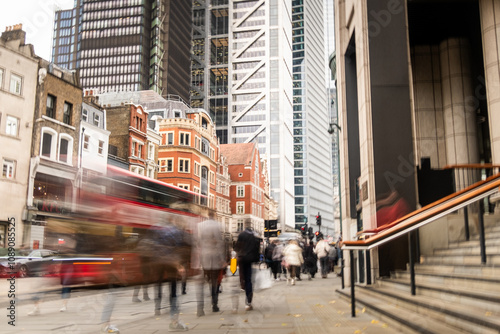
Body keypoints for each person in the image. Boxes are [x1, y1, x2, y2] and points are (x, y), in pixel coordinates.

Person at [197, 216, 226, 316]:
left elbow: (197, 244)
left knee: (205, 284)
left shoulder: (200, 227)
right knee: (214, 283)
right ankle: (214, 305)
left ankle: (201, 308)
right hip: (214, 261)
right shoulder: (217, 227)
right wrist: (222, 260)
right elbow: (220, 246)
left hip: (204, 261)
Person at [234, 227, 260, 311]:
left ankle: (242, 285)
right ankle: (248, 303)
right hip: (251, 259)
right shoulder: (254, 236)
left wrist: (237, 254)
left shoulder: (242, 235)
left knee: (243, 277)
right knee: (249, 279)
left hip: (242, 258)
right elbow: (257, 248)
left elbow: (237, 246)